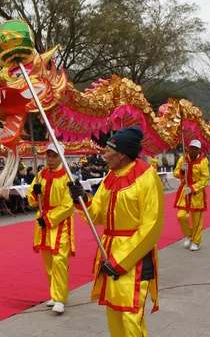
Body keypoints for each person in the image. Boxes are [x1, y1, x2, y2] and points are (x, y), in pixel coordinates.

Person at [68, 126, 164, 336]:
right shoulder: (110, 177)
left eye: (107, 150)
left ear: (121, 154)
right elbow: (97, 215)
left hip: (135, 256)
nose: (104, 154)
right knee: (114, 313)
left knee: (131, 316)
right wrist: (82, 199)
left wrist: (120, 260)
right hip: (108, 251)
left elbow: (151, 225)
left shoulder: (147, 176)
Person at [27, 143, 75, 314]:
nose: (51, 159)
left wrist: (49, 218)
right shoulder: (41, 174)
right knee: (48, 262)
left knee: (59, 261)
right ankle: (54, 294)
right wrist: (35, 192)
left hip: (60, 223)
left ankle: (60, 298)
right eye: (49, 156)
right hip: (43, 224)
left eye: (54, 156)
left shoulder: (68, 177)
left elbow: (69, 205)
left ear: (61, 157)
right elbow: (31, 198)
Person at [172, 140, 210, 251]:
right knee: (181, 215)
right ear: (188, 148)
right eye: (191, 148)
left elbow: (205, 179)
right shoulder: (182, 159)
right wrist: (181, 171)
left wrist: (193, 188)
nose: (193, 150)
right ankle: (188, 235)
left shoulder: (203, 161)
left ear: (199, 150)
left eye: (196, 148)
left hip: (197, 192)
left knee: (197, 219)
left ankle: (196, 241)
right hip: (184, 191)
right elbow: (175, 173)